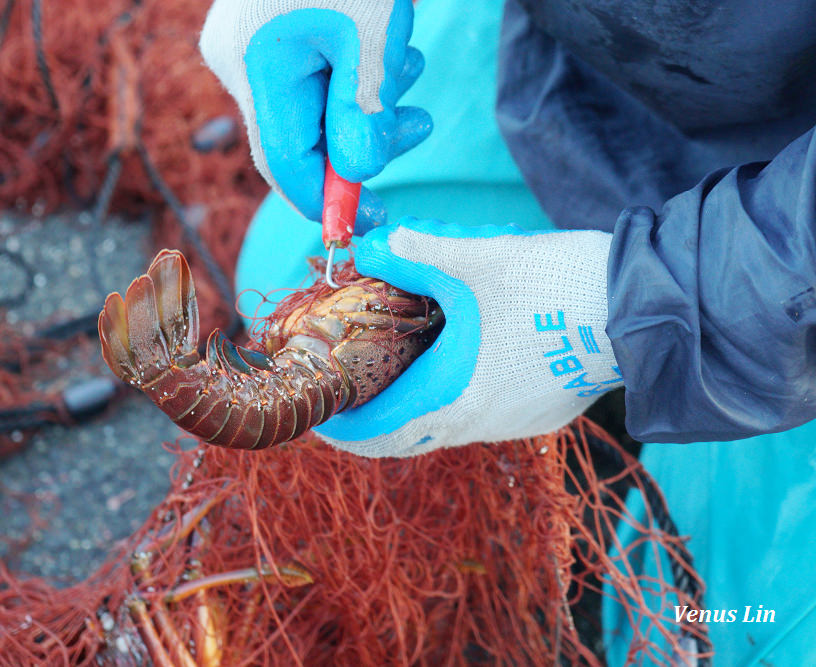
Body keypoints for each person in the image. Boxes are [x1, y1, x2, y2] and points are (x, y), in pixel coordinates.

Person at [199, 0, 816, 663]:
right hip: (596, 80)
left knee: (715, 628)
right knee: (283, 266)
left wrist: (611, 310)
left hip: (788, 255)